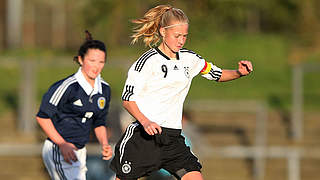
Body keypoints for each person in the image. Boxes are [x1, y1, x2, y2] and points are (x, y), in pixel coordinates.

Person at [110, 4, 253, 180]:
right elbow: (127, 100)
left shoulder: (190, 59)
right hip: (143, 137)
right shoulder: (147, 62)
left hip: (172, 139)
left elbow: (217, 74)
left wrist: (239, 73)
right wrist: (145, 122)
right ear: (163, 32)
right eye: (177, 36)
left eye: (184, 36)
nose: (181, 40)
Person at [36, 30, 113, 180]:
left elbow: (99, 122)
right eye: (92, 61)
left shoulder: (104, 89)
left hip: (80, 151)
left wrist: (104, 144)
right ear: (80, 59)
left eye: (101, 62)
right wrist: (62, 144)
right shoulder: (68, 87)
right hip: (58, 149)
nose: (96, 66)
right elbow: (42, 117)